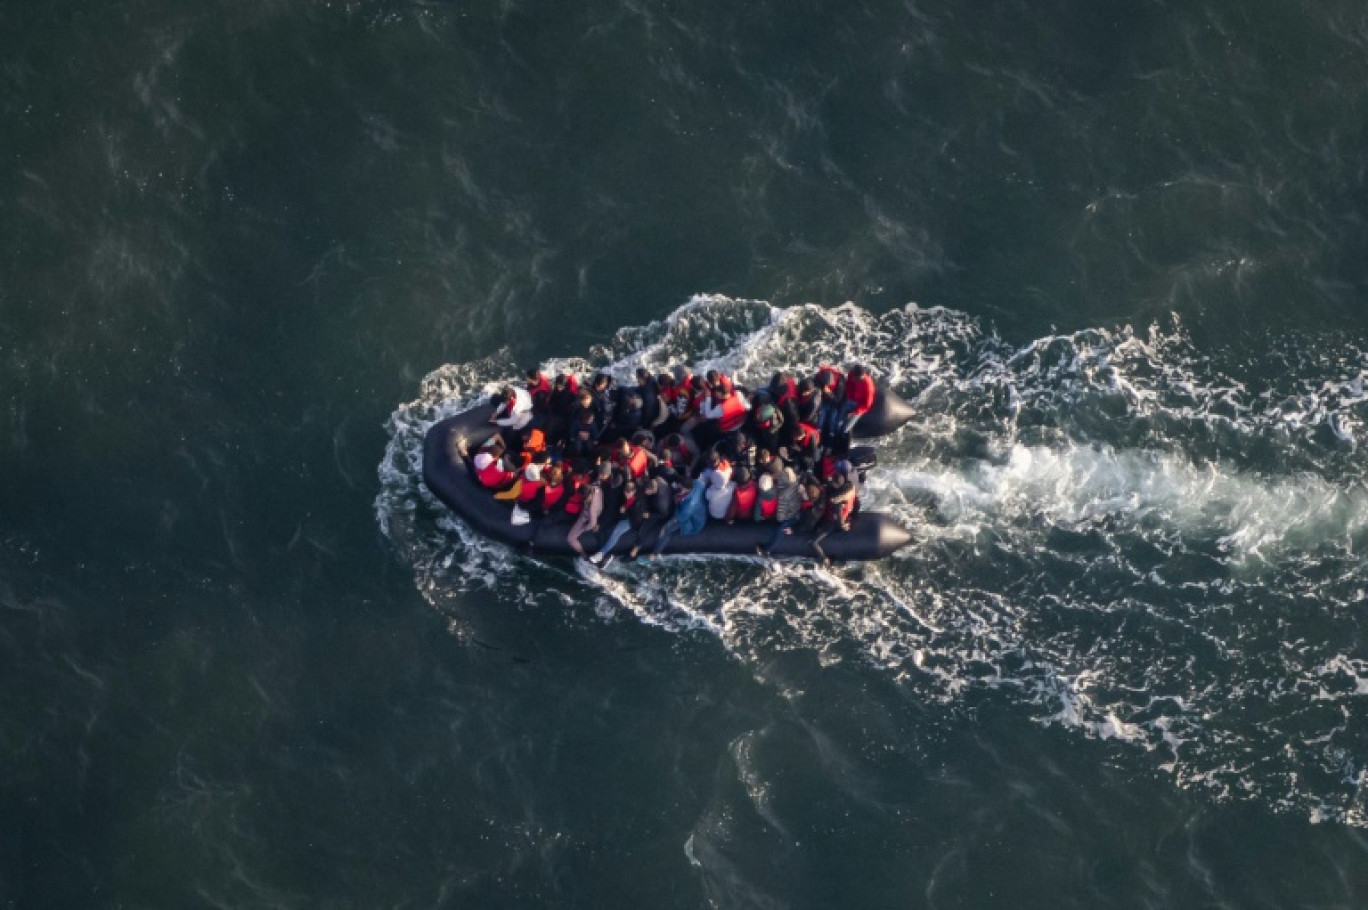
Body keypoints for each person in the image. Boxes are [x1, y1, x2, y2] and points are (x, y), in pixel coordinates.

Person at [649, 475, 707, 558]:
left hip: (691, 520)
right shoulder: (698, 483)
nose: (680, 489)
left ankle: (654, 554)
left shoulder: (690, 504)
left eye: (681, 488)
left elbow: (681, 517)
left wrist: (676, 505)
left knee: (665, 530)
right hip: (699, 511)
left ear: (687, 489)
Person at [589, 478, 639, 566]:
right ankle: (604, 555)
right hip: (622, 516)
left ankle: (601, 553)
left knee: (616, 532)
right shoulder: (625, 498)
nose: (627, 494)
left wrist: (624, 512)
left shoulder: (637, 502)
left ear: (634, 491)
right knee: (606, 530)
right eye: (626, 492)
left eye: (629, 492)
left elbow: (635, 516)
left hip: (631, 520)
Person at [810, 473, 857, 565]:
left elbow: (838, 522)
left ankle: (825, 559)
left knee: (813, 542)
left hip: (832, 523)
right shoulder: (850, 490)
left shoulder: (838, 503)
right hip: (846, 515)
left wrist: (843, 527)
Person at [756, 466, 803, 555]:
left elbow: (783, 512)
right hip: (792, 509)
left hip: (794, 514)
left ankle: (767, 550)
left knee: (782, 528)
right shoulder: (794, 482)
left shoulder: (788, 492)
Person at [628, 474, 674, 560]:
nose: (645, 492)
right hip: (658, 503)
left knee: (645, 526)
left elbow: (664, 514)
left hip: (661, 513)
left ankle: (634, 551)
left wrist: (650, 515)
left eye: (647, 491)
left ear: (652, 490)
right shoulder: (657, 479)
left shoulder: (661, 502)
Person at [567, 466, 608, 556]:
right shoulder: (596, 488)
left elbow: (592, 523)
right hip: (599, 509)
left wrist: (584, 529)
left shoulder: (591, 510)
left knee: (571, 538)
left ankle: (583, 554)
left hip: (588, 516)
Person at [700, 450, 734, 521]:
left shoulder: (715, 474)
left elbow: (705, 478)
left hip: (714, 514)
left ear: (715, 462)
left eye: (708, 463)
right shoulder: (726, 463)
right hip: (726, 486)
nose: (707, 465)